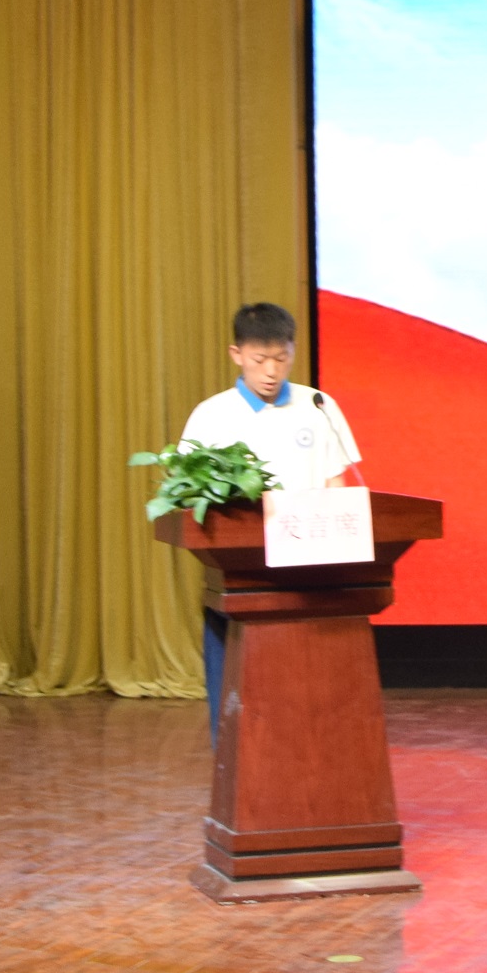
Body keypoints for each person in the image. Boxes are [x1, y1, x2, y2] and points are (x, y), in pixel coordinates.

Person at [176, 302, 363, 732]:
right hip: (242, 575)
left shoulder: (318, 406)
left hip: (310, 572)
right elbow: (189, 496)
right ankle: (233, 756)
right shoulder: (212, 415)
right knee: (242, 701)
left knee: (310, 691)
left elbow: (337, 484)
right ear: (236, 354)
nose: (271, 371)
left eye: (281, 358)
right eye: (260, 359)